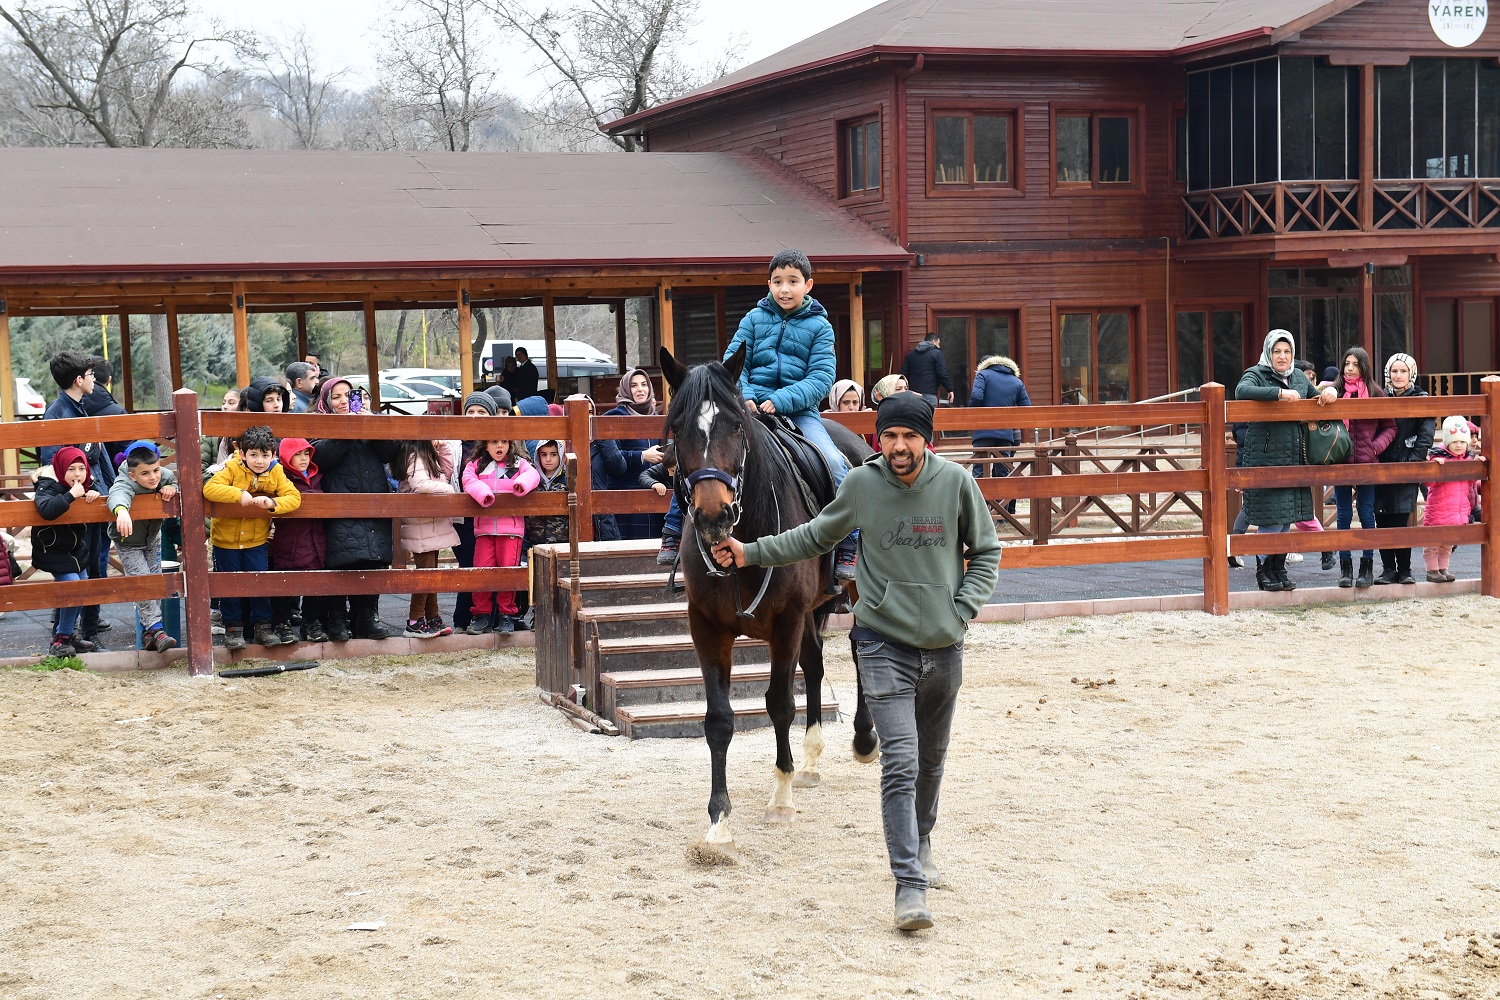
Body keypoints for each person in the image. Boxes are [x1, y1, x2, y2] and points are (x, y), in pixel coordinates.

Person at [712, 392, 1000, 932]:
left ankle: (924, 837)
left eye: (908, 436)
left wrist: (963, 610)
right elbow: (817, 535)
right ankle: (909, 885)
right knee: (901, 762)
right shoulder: (863, 484)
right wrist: (750, 552)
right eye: (888, 436)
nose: (898, 446)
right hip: (881, 640)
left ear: (925, 439)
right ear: (878, 439)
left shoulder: (958, 484)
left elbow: (986, 551)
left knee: (932, 761)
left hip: (944, 645)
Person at [722, 248, 856, 577]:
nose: (785, 289)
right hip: (750, 409)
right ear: (769, 284)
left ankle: (849, 541)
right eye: (778, 281)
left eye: (793, 281)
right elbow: (733, 364)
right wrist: (748, 397)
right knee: (708, 454)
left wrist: (781, 400)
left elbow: (822, 378)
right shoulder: (752, 320)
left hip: (800, 413)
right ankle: (676, 535)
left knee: (836, 463)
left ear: (807, 285)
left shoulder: (821, 327)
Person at [1234, 330, 1337, 593]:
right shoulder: (1256, 372)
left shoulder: (1299, 376)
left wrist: (1329, 395)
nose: (1282, 356)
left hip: (1294, 455)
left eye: (1287, 351)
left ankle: (1278, 568)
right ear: (1269, 352)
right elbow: (1241, 391)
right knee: (1270, 517)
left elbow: (1316, 395)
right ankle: (1263, 570)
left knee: (1285, 517)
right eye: (1277, 351)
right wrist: (1278, 394)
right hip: (1265, 456)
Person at [311, 376, 402, 641]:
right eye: (336, 397)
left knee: (373, 559)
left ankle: (367, 617)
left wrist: (370, 423)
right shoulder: (319, 424)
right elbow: (321, 456)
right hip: (339, 505)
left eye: (348, 396)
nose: (343, 402)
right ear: (326, 401)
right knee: (340, 561)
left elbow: (390, 452)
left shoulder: (369, 422)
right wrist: (348, 429)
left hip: (374, 502)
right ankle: (337, 619)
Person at [40, 351, 117, 645]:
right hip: (77, 501)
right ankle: (77, 632)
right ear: (78, 380)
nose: (94, 379)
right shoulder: (58, 413)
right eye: (89, 374)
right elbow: (53, 462)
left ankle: (86, 628)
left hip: (94, 496)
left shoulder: (79, 408)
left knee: (95, 563)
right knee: (83, 564)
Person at [204, 424, 302, 650]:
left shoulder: (275, 471)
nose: (259, 461)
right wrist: (238, 494)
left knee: (259, 582)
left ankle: (262, 626)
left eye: (265, 455)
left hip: (256, 540)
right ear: (242, 454)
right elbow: (210, 488)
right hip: (225, 541)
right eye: (254, 455)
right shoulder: (231, 467)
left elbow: (294, 497)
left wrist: (272, 503)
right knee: (229, 584)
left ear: (273, 455)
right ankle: (233, 627)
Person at [106, 440, 180, 652]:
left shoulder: (162, 475)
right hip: (128, 541)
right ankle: (157, 630)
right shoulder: (124, 481)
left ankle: (148, 632)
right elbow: (118, 495)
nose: (153, 477)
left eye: (155, 470)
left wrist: (170, 488)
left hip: (152, 537)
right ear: (132, 475)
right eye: (145, 473)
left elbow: (171, 479)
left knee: (154, 581)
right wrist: (121, 511)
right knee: (142, 582)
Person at [1332, 347, 1396, 589]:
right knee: (1343, 514)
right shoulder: (1334, 390)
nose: (1349, 368)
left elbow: (1390, 426)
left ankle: (1366, 567)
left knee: (1367, 513)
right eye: (1347, 363)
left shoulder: (1376, 392)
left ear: (1364, 367)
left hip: (1367, 462)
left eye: (1355, 364)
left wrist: (1375, 447)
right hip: (1340, 462)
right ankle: (1345, 567)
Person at [461, 438, 539, 635]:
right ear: (485, 444)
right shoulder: (478, 465)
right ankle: (481, 615)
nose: (499, 446)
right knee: (482, 572)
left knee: (508, 572)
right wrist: (482, 492)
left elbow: (532, 475)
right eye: (494, 441)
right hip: (485, 529)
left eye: (504, 441)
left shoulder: (518, 463)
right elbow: (468, 479)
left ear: (510, 444)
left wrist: (521, 484)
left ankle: (507, 614)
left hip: (511, 530)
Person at [33, 447, 102, 656]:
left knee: (81, 586)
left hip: (74, 549)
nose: (78, 474)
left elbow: (95, 495)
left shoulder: (85, 485)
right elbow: (46, 510)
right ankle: (60, 639)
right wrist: (72, 495)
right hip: (52, 548)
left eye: (82, 468)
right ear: (61, 469)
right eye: (71, 469)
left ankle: (68, 636)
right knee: (73, 585)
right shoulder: (47, 486)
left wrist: (93, 495)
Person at [1373, 353, 1434, 586]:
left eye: (1403, 371)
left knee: (1400, 518)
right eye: (1395, 371)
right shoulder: (1380, 396)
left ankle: (1405, 569)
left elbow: (1426, 435)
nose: (1398, 376)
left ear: (1411, 374)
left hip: (1407, 464)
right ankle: (1388, 569)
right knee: (1382, 518)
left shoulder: (1421, 398)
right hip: (1381, 463)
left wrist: (1412, 461)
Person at [394, 438, 461, 639]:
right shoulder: (415, 457)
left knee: (431, 572)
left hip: (432, 522)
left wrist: (443, 449)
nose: (437, 439)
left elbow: (447, 472)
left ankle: (432, 617)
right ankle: (414, 620)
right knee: (425, 574)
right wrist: (449, 491)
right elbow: (420, 484)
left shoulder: (429, 456)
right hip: (421, 523)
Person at [269, 438, 328, 643]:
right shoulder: (281, 477)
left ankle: (310, 622)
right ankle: (281, 623)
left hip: (315, 537)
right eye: (297, 454)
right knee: (284, 581)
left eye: (306, 454)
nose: (303, 459)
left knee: (315, 581)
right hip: (290, 538)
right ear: (286, 456)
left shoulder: (318, 475)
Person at [451, 390, 500, 630]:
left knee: (494, 564)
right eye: (470, 411)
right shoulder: (455, 445)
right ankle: (462, 619)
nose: (475, 416)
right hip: (463, 517)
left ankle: (491, 617)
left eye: (481, 412)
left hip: (491, 515)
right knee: (469, 564)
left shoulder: (497, 445)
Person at [600, 369, 665, 541]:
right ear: (626, 390)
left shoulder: (656, 417)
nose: (640, 390)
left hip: (657, 497)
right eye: (634, 386)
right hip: (628, 502)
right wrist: (642, 456)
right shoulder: (614, 417)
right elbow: (612, 460)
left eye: (644, 385)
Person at [967, 355, 1031, 515]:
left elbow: (976, 397)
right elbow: (1026, 407)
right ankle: (1004, 514)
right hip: (1005, 434)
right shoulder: (1016, 381)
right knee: (1004, 472)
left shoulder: (982, 375)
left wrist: (971, 415)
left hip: (983, 431)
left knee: (979, 471)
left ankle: (978, 513)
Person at [1422, 416, 1479, 583]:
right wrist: (1434, 469)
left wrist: (1477, 465)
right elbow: (1428, 482)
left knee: (1448, 544)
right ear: (1447, 443)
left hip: (1457, 511)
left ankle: (1442, 569)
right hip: (1439, 509)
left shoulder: (1467, 461)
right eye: (1455, 442)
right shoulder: (1439, 459)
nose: (1459, 445)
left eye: (1462, 442)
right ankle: (1432, 570)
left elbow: (1471, 482)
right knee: (1433, 543)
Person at [640, 441, 683, 565]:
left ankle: (672, 531)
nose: (670, 474)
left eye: (673, 471)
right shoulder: (670, 462)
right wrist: (654, 483)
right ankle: (672, 531)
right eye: (669, 470)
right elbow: (645, 475)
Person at [902, 331, 953, 406]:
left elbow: (904, 374)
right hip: (929, 394)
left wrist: (906, 390)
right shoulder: (937, 353)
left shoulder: (911, 355)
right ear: (933, 342)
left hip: (912, 394)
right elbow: (942, 373)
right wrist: (949, 389)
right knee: (929, 416)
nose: (939, 346)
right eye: (938, 344)